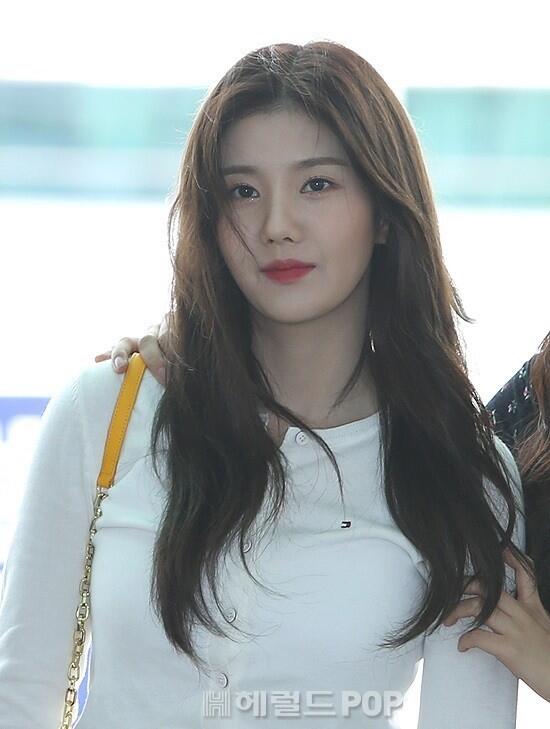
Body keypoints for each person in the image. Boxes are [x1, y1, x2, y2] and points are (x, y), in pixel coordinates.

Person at [0, 41, 532, 728]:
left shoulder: (460, 473)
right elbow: (20, 695)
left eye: (317, 185)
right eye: (243, 191)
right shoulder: (105, 409)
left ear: (384, 211)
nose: (277, 226)